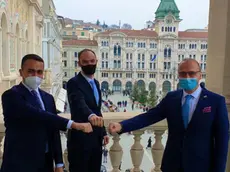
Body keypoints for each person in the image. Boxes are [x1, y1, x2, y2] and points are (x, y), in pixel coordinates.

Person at [109, 59, 229, 172]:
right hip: (172, 164)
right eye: (183, 74)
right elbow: (149, 117)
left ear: (200, 75)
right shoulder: (172, 98)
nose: (187, 77)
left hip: (201, 166)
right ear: (178, 75)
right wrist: (122, 126)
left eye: (191, 73)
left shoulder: (215, 101)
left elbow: (222, 141)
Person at [1, 54, 93, 172]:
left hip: (45, 163)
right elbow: (37, 114)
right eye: (30, 71)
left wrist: (59, 162)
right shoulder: (11, 95)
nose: (35, 76)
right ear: (21, 72)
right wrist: (72, 124)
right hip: (19, 163)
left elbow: (53, 130)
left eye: (39, 72)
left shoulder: (48, 98)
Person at [67, 49, 109, 172]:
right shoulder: (73, 83)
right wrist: (90, 116)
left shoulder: (96, 83)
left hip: (96, 139)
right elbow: (79, 103)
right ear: (79, 63)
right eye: (85, 62)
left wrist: (103, 131)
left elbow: (97, 109)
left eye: (92, 61)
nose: (89, 64)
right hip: (80, 139)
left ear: (96, 61)